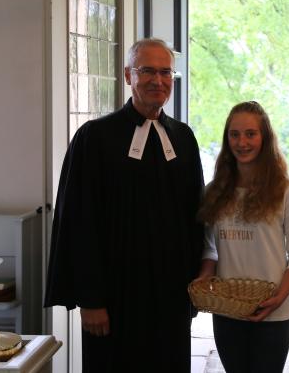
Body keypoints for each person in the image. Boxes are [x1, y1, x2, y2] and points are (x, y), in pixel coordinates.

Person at [44, 38, 204, 372]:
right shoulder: (94, 138)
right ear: (128, 75)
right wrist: (91, 299)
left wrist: (194, 289)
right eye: (147, 71)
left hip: (170, 298)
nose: (157, 80)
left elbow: (196, 218)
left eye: (165, 72)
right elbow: (79, 223)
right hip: (115, 300)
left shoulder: (184, 138)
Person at [196, 101, 289, 373]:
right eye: (234, 134)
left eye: (250, 134)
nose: (242, 142)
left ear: (265, 138)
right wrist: (204, 276)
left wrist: (278, 298)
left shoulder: (287, 193)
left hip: (273, 314)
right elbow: (210, 248)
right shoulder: (215, 191)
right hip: (227, 312)